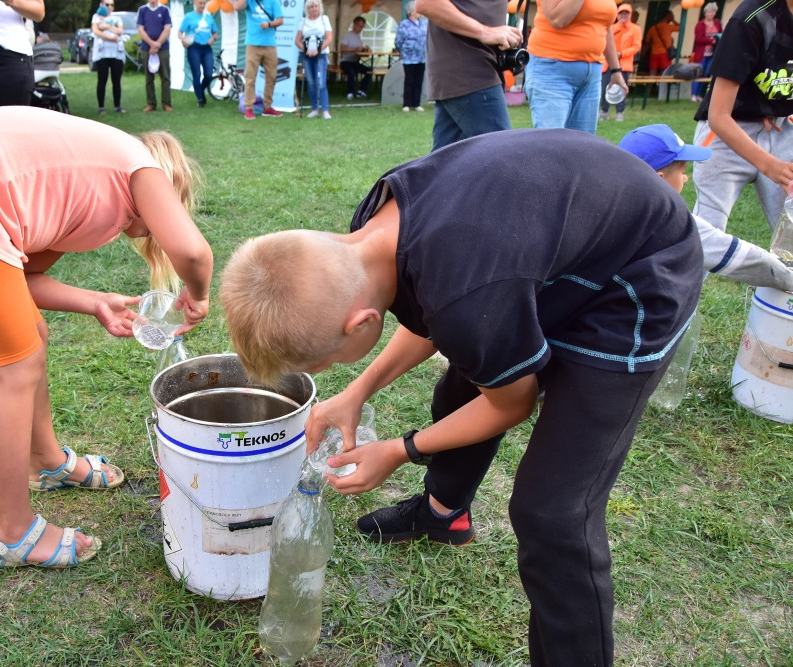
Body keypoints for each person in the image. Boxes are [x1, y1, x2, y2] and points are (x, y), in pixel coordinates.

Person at [220, 128, 703, 666]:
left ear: (362, 324)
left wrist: (400, 450)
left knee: (552, 513)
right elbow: (438, 312)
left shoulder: (467, 292)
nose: (331, 369)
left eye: (328, 362)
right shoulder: (375, 228)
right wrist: (357, 391)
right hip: (564, 248)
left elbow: (508, 401)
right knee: (465, 379)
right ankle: (443, 513)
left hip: (638, 273)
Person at [0, 106, 214, 569]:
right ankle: (10, 531)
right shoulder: (140, 165)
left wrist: (93, 301)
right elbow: (193, 252)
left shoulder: (91, 180)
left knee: (31, 333)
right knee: (14, 367)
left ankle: (46, 463)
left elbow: (21, 276)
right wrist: (199, 296)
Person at [621, 124, 793, 291]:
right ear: (658, 180)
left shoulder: (610, 206)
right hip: (633, 313)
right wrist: (788, 278)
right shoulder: (668, 221)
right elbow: (744, 259)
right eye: (682, 172)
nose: (685, 178)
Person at [692, 0, 793, 236]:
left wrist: (774, 104)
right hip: (727, 132)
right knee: (706, 239)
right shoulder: (751, 17)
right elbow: (718, 115)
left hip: (781, 127)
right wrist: (770, 166)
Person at [415, 0, 523, 150]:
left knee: (444, 163)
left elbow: (472, 0)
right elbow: (427, 0)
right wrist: (484, 31)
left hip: (470, 67)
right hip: (467, 67)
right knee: (500, 154)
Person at [524, 0, 627, 133]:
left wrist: (616, 70)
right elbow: (557, 18)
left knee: (583, 146)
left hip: (592, 74)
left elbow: (605, 28)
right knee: (551, 145)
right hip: (552, 69)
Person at [235, 0, 284, 119]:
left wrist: (269, 24)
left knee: (271, 77)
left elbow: (280, 20)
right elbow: (237, 7)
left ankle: (267, 107)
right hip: (252, 44)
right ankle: (249, 108)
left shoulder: (273, 0)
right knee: (250, 77)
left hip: (270, 45)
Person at [599, 3, 640, 123]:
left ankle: (620, 113)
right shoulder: (611, 28)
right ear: (617, 14)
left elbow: (636, 46)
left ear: (630, 14)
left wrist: (622, 54)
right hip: (608, 64)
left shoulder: (635, 29)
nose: (624, 15)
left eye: (626, 13)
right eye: (621, 13)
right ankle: (604, 111)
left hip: (624, 65)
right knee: (605, 88)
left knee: (622, 89)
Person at [178, 0, 218, 108]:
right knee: (197, 73)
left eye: (204, 3)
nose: (202, 5)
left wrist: (213, 38)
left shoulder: (209, 17)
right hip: (194, 47)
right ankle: (200, 98)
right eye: (200, 3)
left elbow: (215, 32)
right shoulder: (189, 17)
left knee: (209, 74)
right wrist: (182, 39)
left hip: (206, 48)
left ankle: (200, 89)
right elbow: (180, 31)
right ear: (195, 3)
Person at [295, 0, 332, 119]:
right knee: (310, 82)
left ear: (319, 7)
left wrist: (318, 50)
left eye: (316, 6)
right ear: (308, 9)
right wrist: (306, 50)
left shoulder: (324, 19)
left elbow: (329, 38)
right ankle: (315, 109)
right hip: (306, 55)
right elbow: (297, 40)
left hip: (321, 55)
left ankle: (325, 110)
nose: (314, 8)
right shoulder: (303, 21)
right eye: (311, 6)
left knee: (320, 83)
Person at [138, 0, 173, 112]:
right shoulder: (142, 10)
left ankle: (166, 103)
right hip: (147, 48)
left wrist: (157, 44)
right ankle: (151, 103)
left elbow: (167, 28)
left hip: (162, 48)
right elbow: (141, 29)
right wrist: (151, 44)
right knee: (149, 78)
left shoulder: (164, 10)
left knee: (165, 76)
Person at [91, 0, 126, 115]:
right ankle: (101, 107)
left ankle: (117, 106)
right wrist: (111, 37)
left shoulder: (117, 18)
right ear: (101, 5)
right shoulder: (96, 17)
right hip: (102, 54)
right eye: (107, 5)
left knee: (116, 80)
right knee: (102, 79)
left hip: (116, 53)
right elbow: (96, 31)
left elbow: (120, 31)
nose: (110, 7)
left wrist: (106, 27)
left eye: (112, 5)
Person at [394, 0, 427, 113]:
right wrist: (403, 51)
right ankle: (406, 104)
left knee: (419, 80)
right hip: (409, 58)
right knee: (409, 80)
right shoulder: (404, 24)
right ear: (411, 11)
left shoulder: (424, 23)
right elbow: (398, 41)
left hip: (422, 57)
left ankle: (416, 103)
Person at [690, 2, 721, 102]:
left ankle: (699, 94)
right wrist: (711, 40)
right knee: (698, 73)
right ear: (705, 12)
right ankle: (693, 94)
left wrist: (717, 39)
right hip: (701, 54)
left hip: (712, 53)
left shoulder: (717, 23)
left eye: (713, 11)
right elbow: (698, 39)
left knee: (706, 74)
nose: (711, 13)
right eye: (709, 11)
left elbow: (721, 34)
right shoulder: (700, 25)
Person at [339, 16, 372, 100]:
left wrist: (364, 50)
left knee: (369, 71)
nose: (360, 28)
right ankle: (350, 92)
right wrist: (355, 49)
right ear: (354, 24)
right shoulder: (348, 36)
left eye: (362, 27)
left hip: (355, 62)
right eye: (359, 26)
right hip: (346, 61)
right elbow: (342, 48)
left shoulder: (358, 37)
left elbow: (358, 52)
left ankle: (361, 91)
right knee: (351, 72)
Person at [646, 10, 679, 76]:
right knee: (665, 72)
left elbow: (647, 40)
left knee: (652, 72)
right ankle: (660, 86)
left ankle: (650, 86)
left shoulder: (653, 28)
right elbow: (681, 27)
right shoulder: (668, 26)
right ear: (668, 17)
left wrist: (653, 44)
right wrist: (673, 20)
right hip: (664, 53)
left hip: (654, 53)